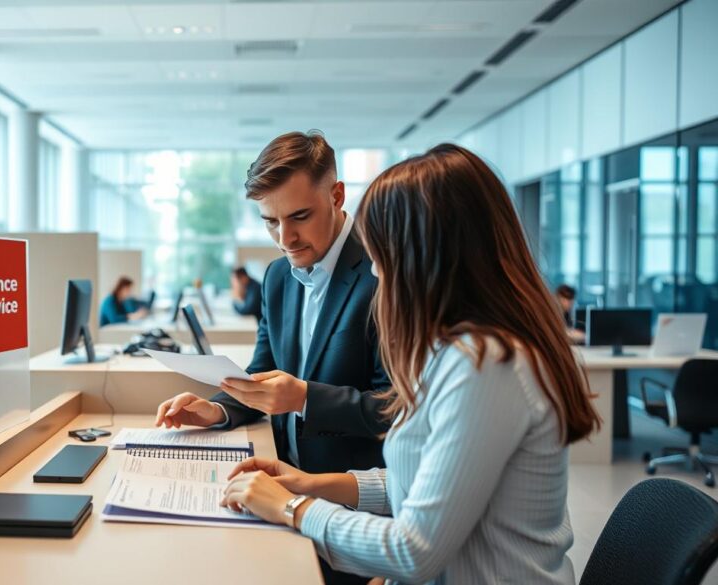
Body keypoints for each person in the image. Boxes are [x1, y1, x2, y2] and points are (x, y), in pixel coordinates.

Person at [218, 144, 601, 584]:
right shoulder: (456, 352)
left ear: (429, 256)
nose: (376, 271)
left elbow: (412, 552)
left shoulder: (488, 367)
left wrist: (291, 508)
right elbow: (418, 483)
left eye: (382, 250)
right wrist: (308, 485)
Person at [155, 132, 392, 500]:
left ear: (337, 196)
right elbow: (262, 370)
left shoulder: (382, 273)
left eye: (300, 216)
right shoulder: (278, 277)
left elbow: (393, 407)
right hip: (279, 486)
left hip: (351, 498)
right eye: (270, 222)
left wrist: (304, 398)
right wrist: (216, 409)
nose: (286, 238)